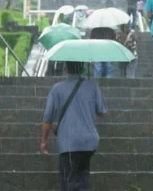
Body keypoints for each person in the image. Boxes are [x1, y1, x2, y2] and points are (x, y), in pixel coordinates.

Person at [40, 61, 108, 191]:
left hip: (69, 142)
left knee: (69, 180)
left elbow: (48, 119)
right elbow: (102, 112)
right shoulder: (92, 86)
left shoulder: (57, 89)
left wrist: (44, 140)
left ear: (66, 69)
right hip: (88, 142)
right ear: (82, 68)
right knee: (82, 177)